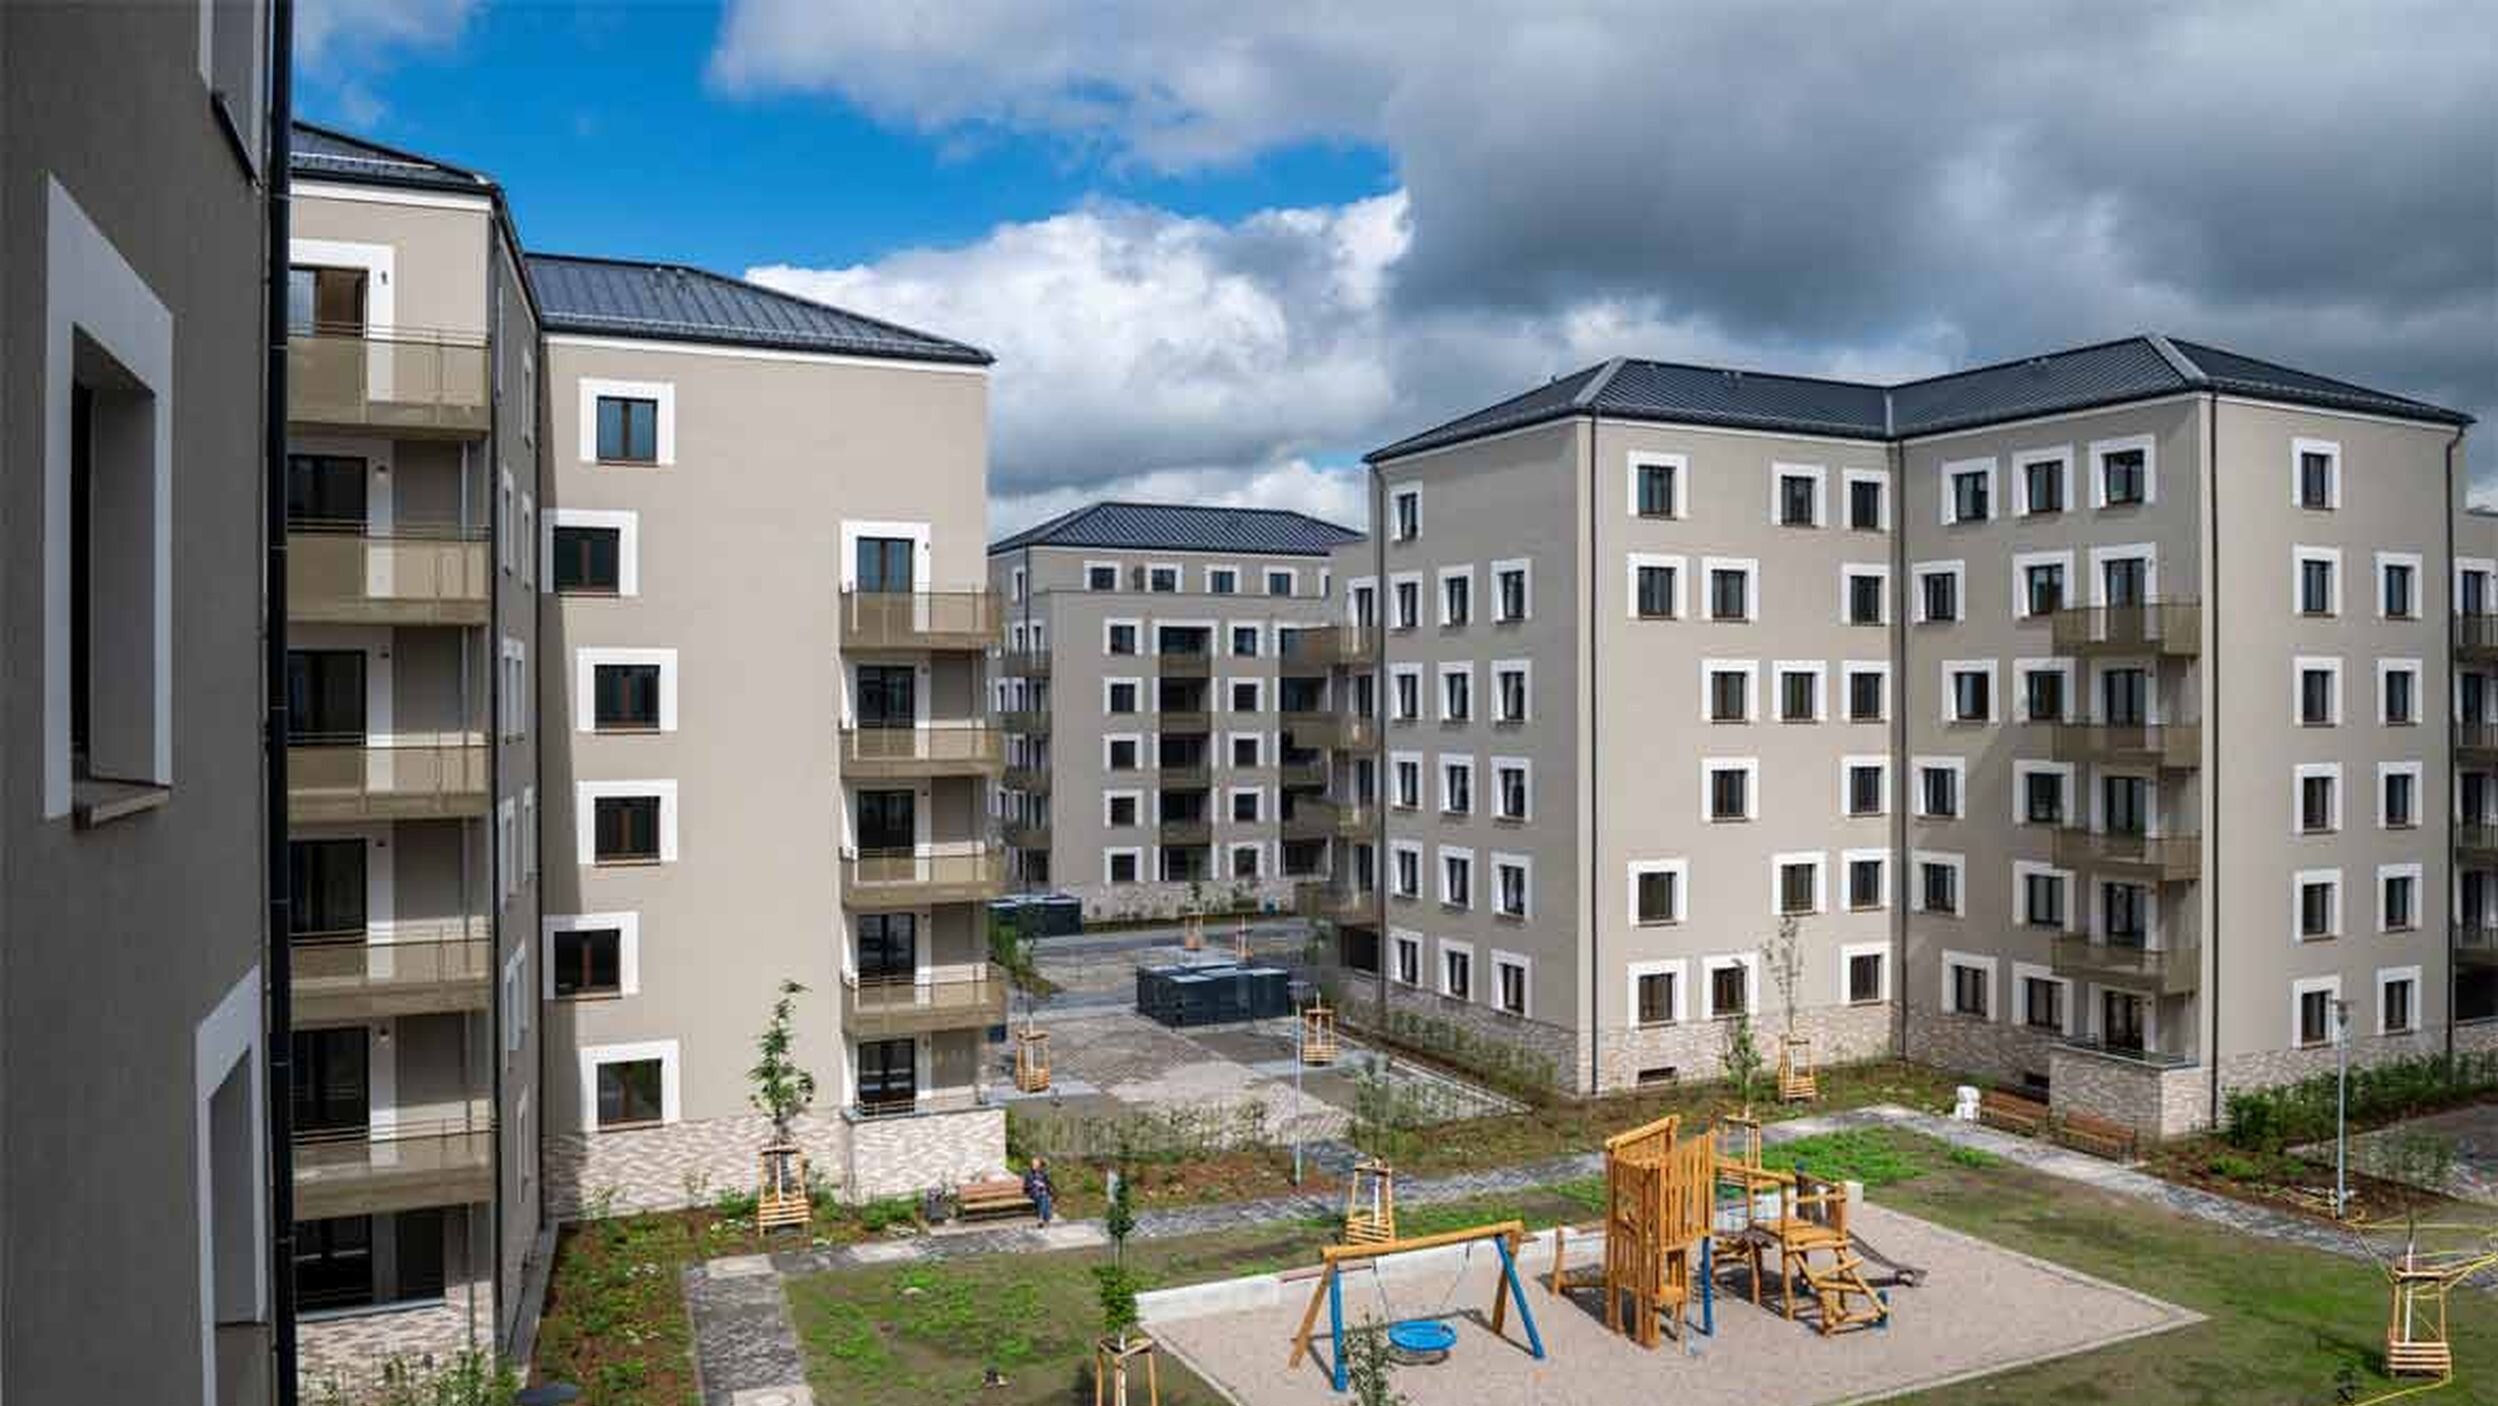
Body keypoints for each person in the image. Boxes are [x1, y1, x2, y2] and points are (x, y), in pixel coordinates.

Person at [1024, 1156, 1055, 1227]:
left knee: (1045, 1197)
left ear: (1039, 1165)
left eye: (1035, 1164)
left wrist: (1043, 1185)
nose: (1033, 1166)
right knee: (1044, 1197)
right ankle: (1046, 1219)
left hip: (1043, 1192)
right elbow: (1026, 1186)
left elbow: (1049, 1184)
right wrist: (1034, 1184)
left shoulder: (1043, 1173)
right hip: (1033, 1192)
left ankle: (1041, 1218)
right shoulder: (1029, 1174)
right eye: (1033, 1164)